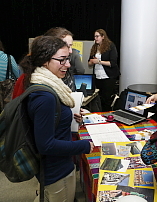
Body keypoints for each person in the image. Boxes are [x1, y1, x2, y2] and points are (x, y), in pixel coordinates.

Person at [19, 35, 94, 202]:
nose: (67, 64)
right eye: (62, 60)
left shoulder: (46, 85)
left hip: (54, 167)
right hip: (56, 172)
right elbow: (46, 145)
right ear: (45, 61)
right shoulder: (45, 96)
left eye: (67, 59)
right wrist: (82, 145)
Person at [88, 29, 120, 112]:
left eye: (97, 36)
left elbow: (113, 63)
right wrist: (91, 62)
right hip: (97, 76)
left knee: (107, 100)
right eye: (95, 36)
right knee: (98, 98)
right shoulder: (94, 47)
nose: (95, 38)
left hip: (108, 76)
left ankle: (107, 116)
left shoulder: (110, 46)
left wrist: (98, 61)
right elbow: (89, 62)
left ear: (103, 37)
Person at [44, 27, 85, 91]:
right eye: (67, 46)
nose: (71, 51)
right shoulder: (44, 85)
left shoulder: (67, 74)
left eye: (71, 46)